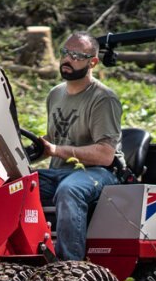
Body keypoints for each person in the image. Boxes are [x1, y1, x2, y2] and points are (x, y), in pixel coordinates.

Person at [38, 33, 124, 261]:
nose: (67, 59)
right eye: (65, 53)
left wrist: (56, 150)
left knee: (70, 189)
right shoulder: (55, 94)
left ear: (92, 62)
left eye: (76, 56)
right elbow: (55, 138)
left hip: (98, 173)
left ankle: (71, 267)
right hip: (58, 172)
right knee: (15, 187)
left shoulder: (103, 99)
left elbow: (105, 155)